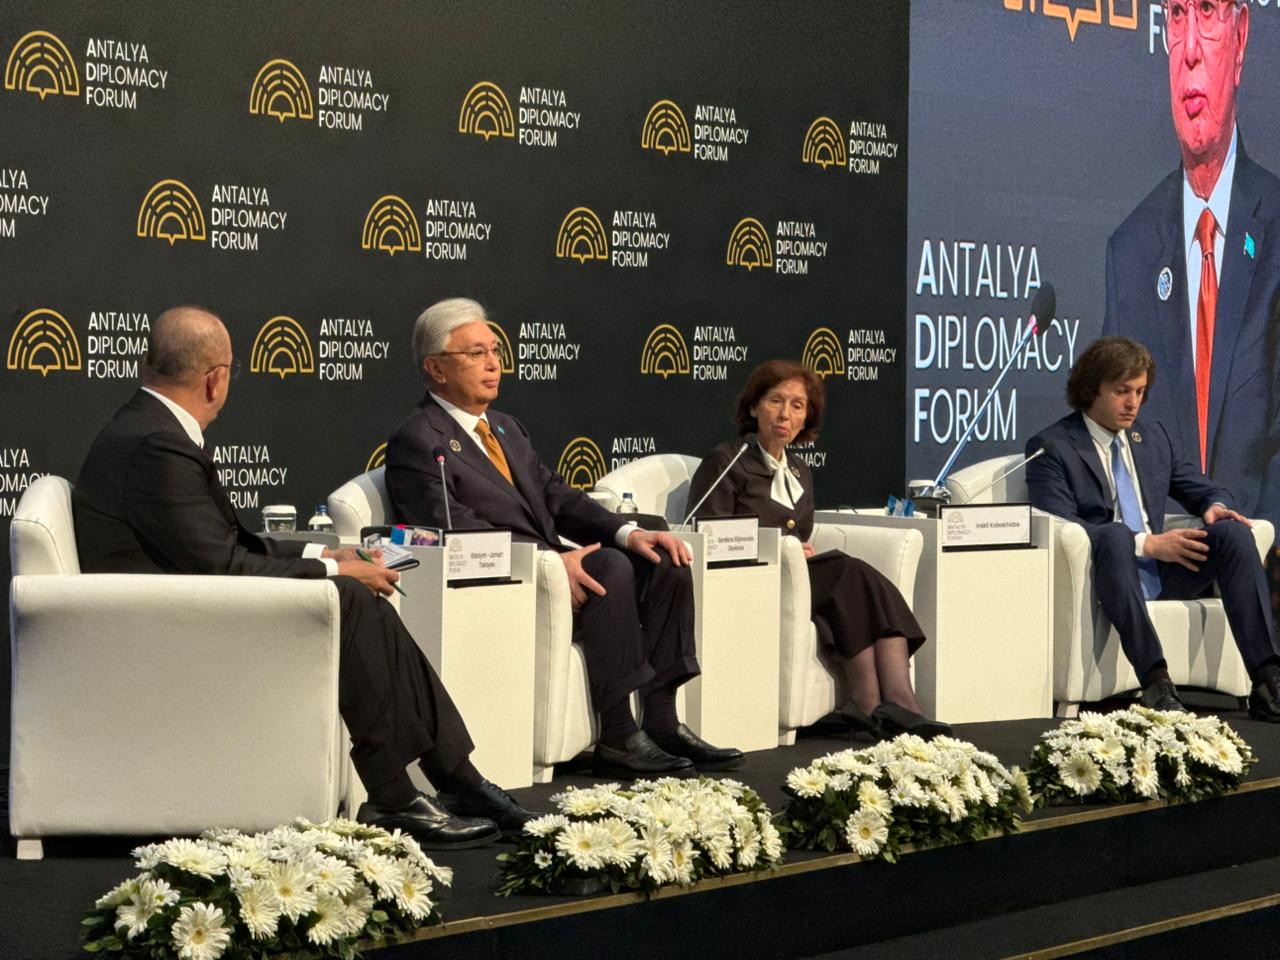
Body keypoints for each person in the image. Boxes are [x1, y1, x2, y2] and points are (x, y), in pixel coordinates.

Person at [73, 305, 538, 848]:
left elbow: (227, 545)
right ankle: (400, 792)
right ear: (215, 380)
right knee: (352, 598)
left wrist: (327, 552)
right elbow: (222, 563)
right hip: (164, 629)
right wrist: (331, 570)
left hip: (173, 606)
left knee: (359, 596)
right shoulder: (159, 444)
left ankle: (454, 777)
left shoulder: (147, 427)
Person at [385, 297, 743, 777]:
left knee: (664, 559)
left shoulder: (507, 429)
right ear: (435, 368)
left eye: (495, 350)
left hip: (550, 571)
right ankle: (618, 734)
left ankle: (662, 720)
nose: (493, 363)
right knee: (608, 567)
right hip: (499, 584)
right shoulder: (418, 438)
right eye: (475, 353)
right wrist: (549, 563)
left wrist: (629, 532)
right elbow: (453, 528)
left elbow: (557, 497)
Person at [686, 359, 949, 740]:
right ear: (755, 406)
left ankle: (883, 702)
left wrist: (795, 550)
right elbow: (709, 535)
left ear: (805, 418)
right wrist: (782, 547)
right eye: (775, 400)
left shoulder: (798, 470)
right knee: (848, 572)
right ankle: (890, 701)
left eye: (797, 405)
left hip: (796, 578)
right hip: (752, 578)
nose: (785, 414)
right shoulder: (728, 461)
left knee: (858, 583)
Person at [1025, 336, 1280, 718]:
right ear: (1091, 389)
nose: (1133, 403)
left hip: (1164, 572)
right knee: (1114, 534)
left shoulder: (1151, 438)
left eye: (1140, 392)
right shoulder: (1053, 447)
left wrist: (1214, 506)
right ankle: (1156, 681)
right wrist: (1147, 544)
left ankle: (1268, 680)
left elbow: (1204, 488)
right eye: (1122, 391)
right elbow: (1060, 522)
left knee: (1231, 533)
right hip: (1104, 576)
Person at [1103, 0, 1280, 530]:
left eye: (1207, 10)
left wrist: (1259, 545)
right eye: (1178, 16)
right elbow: (1112, 439)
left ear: (1241, 37)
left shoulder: (1276, 226)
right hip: (1163, 562)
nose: (1192, 51)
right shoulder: (1130, 251)